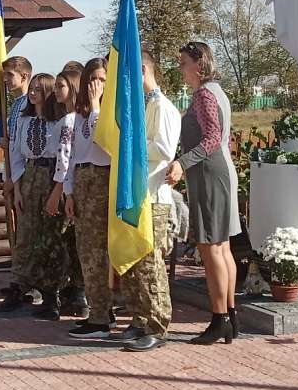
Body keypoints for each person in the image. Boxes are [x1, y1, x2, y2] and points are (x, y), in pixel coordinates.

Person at [167, 41, 240, 345]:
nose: (181, 69)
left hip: (210, 174)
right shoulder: (215, 91)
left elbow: (211, 138)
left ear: (199, 64)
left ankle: (219, 317)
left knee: (211, 247)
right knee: (221, 247)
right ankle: (230, 316)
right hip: (218, 171)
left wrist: (181, 163)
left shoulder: (205, 94)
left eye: (184, 63)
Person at [119, 50, 182, 351]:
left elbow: (164, 149)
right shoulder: (141, 107)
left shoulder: (163, 107)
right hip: (136, 195)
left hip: (154, 195)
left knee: (151, 262)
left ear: (142, 69)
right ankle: (140, 316)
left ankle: (157, 323)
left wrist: (130, 142)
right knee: (135, 261)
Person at [2, 73, 70, 316]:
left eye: (38, 90)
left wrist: (59, 187)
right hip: (30, 175)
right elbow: (17, 154)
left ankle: (53, 291)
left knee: (52, 234)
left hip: (53, 176)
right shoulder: (24, 120)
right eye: (31, 89)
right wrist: (18, 189)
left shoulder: (60, 120)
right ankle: (20, 284)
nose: (32, 93)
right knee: (26, 233)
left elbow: (65, 156)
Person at [62, 57, 115, 338]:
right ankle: (98, 309)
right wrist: (69, 192)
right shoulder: (80, 114)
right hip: (82, 181)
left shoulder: (106, 112)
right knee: (86, 250)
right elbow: (71, 157)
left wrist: (96, 106)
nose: (96, 85)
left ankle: (103, 314)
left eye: (102, 80)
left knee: (99, 252)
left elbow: (103, 142)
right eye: (92, 80)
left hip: (101, 179)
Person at [39, 69, 81, 320]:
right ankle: (74, 294)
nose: (56, 91)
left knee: (56, 242)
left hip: (63, 185)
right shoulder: (77, 118)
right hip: (71, 185)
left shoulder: (69, 121)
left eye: (61, 86)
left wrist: (57, 191)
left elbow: (64, 160)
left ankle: (53, 298)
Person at [0, 56, 32, 302]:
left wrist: (16, 178)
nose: (6, 80)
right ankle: (20, 279)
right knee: (19, 232)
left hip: (25, 175)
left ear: (24, 76)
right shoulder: (15, 105)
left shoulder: (29, 104)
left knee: (26, 233)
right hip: (14, 174)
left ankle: (28, 282)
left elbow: (25, 146)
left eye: (10, 75)